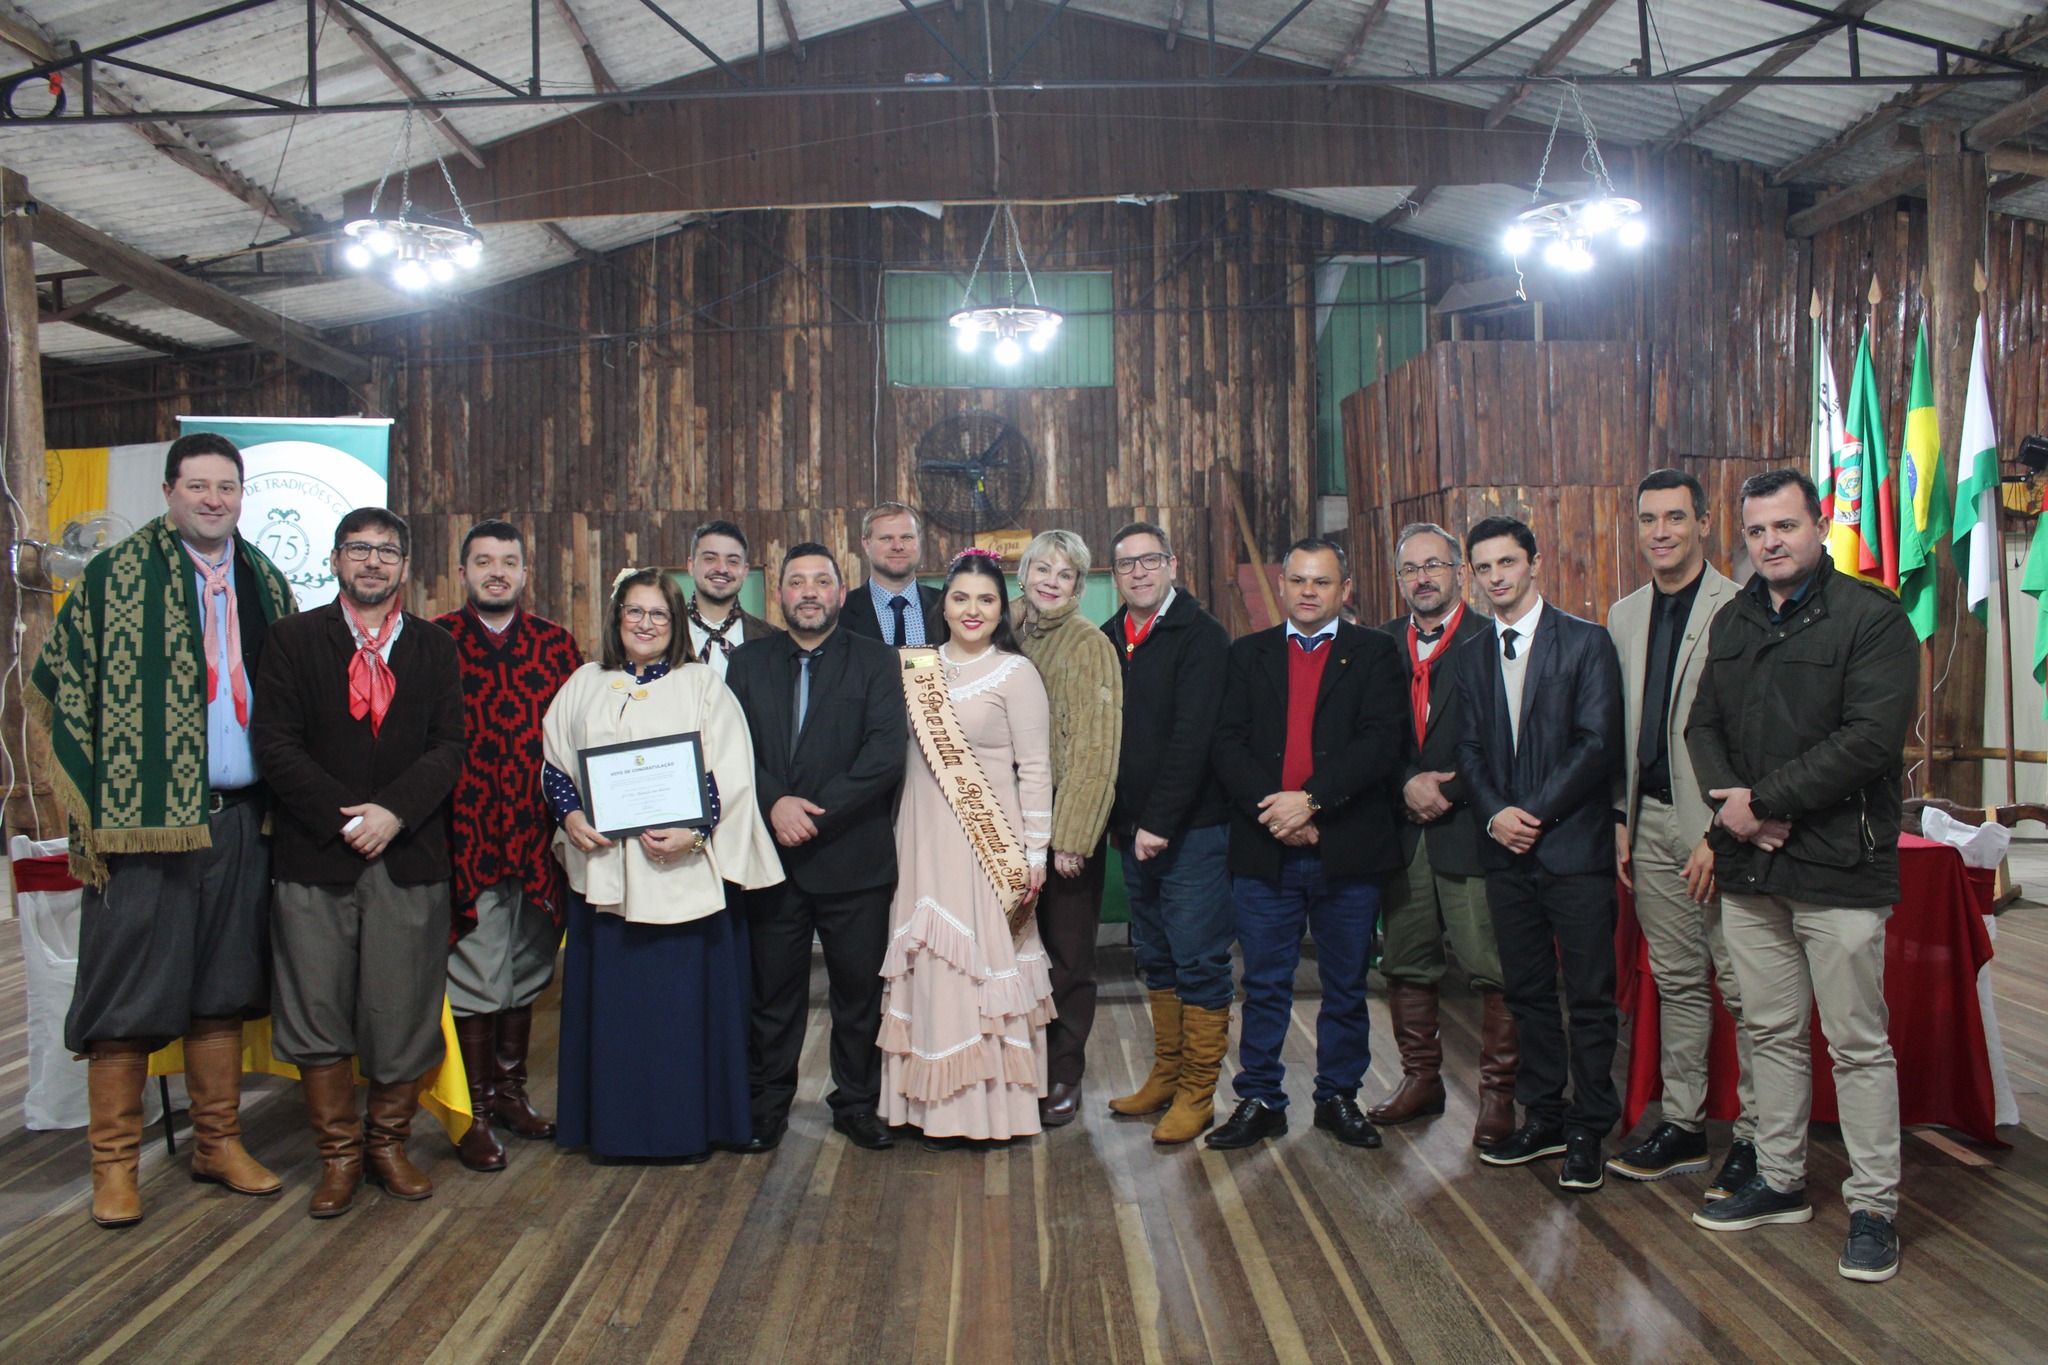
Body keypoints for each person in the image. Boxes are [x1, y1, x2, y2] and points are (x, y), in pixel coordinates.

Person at [30, 432, 296, 1228]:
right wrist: (95, 808)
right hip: (141, 824)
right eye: (199, 485)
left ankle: (217, 1140)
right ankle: (113, 1165)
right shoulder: (115, 576)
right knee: (127, 994)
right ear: (170, 491)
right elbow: (60, 688)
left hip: (243, 819)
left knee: (223, 988)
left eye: (228, 486)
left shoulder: (265, 578)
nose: (215, 498)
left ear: (242, 496)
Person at [1685, 469, 1916, 1284]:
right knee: (1772, 1032)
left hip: (1840, 868)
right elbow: (1701, 723)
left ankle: (1874, 1207)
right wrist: (1737, 809)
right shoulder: (1736, 615)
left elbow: (1870, 741)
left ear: (1819, 526)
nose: (1770, 542)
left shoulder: (1872, 618)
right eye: (1756, 531)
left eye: (1785, 526)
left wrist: (1763, 802)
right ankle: (1781, 1180)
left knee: (1857, 1042)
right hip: (1754, 872)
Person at [253, 508, 468, 1218]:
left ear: (405, 566)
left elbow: (449, 748)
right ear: (337, 559)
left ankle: (387, 1145)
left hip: (408, 854)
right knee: (316, 1006)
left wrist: (392, 813)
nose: (373, 562)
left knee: (402, 1008)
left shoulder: (436, 648)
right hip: (316, 853)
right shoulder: (289, 640)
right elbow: (276, 745)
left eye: (386, 551)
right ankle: (338, 1156)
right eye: (359, 550)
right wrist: (348, 814)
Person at [543, 568, 784, 1162]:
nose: (646, 624)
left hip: (682, 877)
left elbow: (732, 772)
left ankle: (690, 1128)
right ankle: (613, 1128)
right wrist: (570, 816)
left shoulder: (702, 684)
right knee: (618, 1021)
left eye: (659, 614)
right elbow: (554, 763)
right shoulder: (584, 683)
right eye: (635, 612)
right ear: (616, 617)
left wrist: (692, 830)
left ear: (676, 623)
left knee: (679, 1019)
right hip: (607, 876)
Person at [1209, 538, 1407, 1152]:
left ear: (1344, 589)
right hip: (1266, 846)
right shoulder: (1247, 655)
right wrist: (1280, 813)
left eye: (1322, 581)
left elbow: (1380, 743)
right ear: (1283, 585)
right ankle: (1260, 1097)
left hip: (1347, 848)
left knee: (1346, 984)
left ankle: (1338, 1096)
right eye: (1298, 580)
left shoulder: (1375, 653)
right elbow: (1227, 744)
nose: (1308, 591)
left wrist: (1312, 802)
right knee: (1264, 982)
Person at [1454, 515, 1624, 1192]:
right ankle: (1544, 1114)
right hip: (1505, 852)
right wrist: (1497, 814)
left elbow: (1596, 742)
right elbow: (1466, 749)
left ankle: (1589, 1127)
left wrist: (1534, 813)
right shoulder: (1471, 654)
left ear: (1535, 562)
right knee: (1526, 993)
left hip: (1573, 849)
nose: (1496, 577)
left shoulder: (1586, 642)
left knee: (1588, 995)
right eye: (1485, 567)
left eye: (1507, 563)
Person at [726, 544, 907, 1154]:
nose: (809, 591)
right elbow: (732, 751)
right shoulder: (746, 665)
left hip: (853, 859)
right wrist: (775, 802)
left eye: (821, 581)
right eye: (796, 581)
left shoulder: (877, 661)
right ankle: (767, 1105)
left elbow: (884, 756)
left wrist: (815, 815)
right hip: (772, 860)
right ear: (777, 593)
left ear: (840, 590)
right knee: (773, 996)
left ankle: (856, 1103)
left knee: (859, 996)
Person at [1605, 471, 1757, 1194]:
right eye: (1647, 519)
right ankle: (1686, 1124)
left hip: (1718, 829)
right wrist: (1619, 819)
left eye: (1674, 517)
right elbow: (1619, 728)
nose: (1660, 531)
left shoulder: (1742, 607)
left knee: (1743, 984)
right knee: (1676, 979)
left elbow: (1752, 735)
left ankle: (1758, 1136)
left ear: (1703, 521)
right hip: (1649, 820)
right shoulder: (1624, 613)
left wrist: (1721, 834)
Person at [879, 550, 1054, 1149]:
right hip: (922, 841)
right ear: (943, 605)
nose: (972, 610)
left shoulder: (1016, 673)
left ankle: (988, 1114)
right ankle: (923, 1108)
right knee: (928, 965)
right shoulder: (913, 670)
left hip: (988, 847)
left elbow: (1035, 770)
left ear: (1002, 609)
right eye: (960, 598)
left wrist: (1034, 855)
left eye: (986, 599)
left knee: (979, 971)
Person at [433, 519, 583, 1174]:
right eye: (484, 560)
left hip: (537, 833)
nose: (497, 571)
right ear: (462, 570)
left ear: (526, 572)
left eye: (510, 561)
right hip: (461, 832)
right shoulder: (433, 641)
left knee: (525, 965)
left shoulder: (557, 644)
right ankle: (475, 1108)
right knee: (474, 969)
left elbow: (581, 737)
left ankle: (512, 1093)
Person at [1368, 523, 1519, 1148]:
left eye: (1435, 565)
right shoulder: (1377, 646)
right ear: (1398, 578)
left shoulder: (1492, 638)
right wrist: (1407, 781)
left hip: (1470, 825)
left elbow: (1508, 735)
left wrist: (1446, 789)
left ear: (1460, 571)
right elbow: (1371, 734)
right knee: (1406, 959)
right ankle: (1420, 1081)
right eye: (1410, 569)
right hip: (1403, 831)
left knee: (1492, 963)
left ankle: (1499, 1096)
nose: (1422, 578)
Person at [1099, 521, 1234, 1144]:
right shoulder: (1108, 638)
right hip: (1131, 834)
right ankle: (1166, 1076)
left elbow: (1195, 739)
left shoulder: (1201, 636)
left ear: (1172, 565)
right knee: (1154, 957)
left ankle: (1199, 1094)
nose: (1138, 572)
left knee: (1199, 959)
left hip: (1191, 834)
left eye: (1149, 560)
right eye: (1126, 564)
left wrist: (1159, 822)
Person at [1008, 530, 1122, 1127]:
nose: (1051, 581)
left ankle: (1063, 1074)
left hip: (1064, 830)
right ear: (1022, 575)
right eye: (1042, 569)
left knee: (1068, 959)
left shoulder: (1087, 645)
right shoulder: (1008, 633)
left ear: (1080, 586)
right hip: (1010, 828)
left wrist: (1072, 838)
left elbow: (1096, 749)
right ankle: (1019, 1069)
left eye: (1066, 573)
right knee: (1019, 955)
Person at [684, 519, 778, 677]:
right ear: (691, 565)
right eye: (710, 558)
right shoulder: (664, 632)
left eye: (732, 561)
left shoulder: (772, 639)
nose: (722, 569)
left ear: (745, 571)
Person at [842, 502, 942, 646]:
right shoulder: (841, 611)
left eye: (907, 537)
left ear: (919, 540)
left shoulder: (944, 605)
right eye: (886, 538)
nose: (898, 546)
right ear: (866, 544)